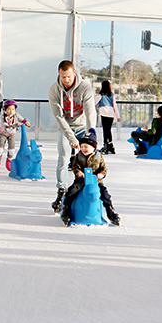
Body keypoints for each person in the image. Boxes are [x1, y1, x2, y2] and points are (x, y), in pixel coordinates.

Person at [48, 60, 97, 213]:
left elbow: (90, 112)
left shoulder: (85, 88)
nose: (66, 80)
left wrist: (91, 133)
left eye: (69, 76)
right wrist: (70, 137)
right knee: (63, 157)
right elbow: (59, 117)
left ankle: (90, 188)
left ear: (74, 73)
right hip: (65, 128)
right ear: (59, 75)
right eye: (63, 77)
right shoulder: (53, 91)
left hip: (82, 126)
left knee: (89, 158)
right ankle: (61, 191)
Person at [60, 129, 120, 226]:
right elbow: (75, 166)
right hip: (81, 181)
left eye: (86, 147)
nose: (83, 149)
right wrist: (78, 173)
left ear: (93, 147)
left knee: (105, 195)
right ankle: (66, 211)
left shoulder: (99, 156)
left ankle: (110, 212)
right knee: (71, 192)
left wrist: (101, 174)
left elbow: (103, 168)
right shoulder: (78, 156)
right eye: (82, 146)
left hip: (96, 182)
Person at [0, 99, 30, 173]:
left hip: (11, 134)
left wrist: (26, 122)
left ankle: (9, 163)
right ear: (5, 110)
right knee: (0, 149)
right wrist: (16, 125)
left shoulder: (16, 115)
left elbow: (22, 119)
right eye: (9, 109)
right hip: (3, 133)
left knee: (12, 149)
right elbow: (7, 128)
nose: (11, 111)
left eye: (13, 109)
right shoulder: (3, 117)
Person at [96, 79, 119, 155]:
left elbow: (93, 102)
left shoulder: (100, 95)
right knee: (108, 130)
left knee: (105, 131)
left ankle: (106, 145)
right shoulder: (112, 95)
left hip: (104, 114)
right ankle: (110, 146)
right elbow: (115, 106)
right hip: (111, 114)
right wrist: (118, 116)